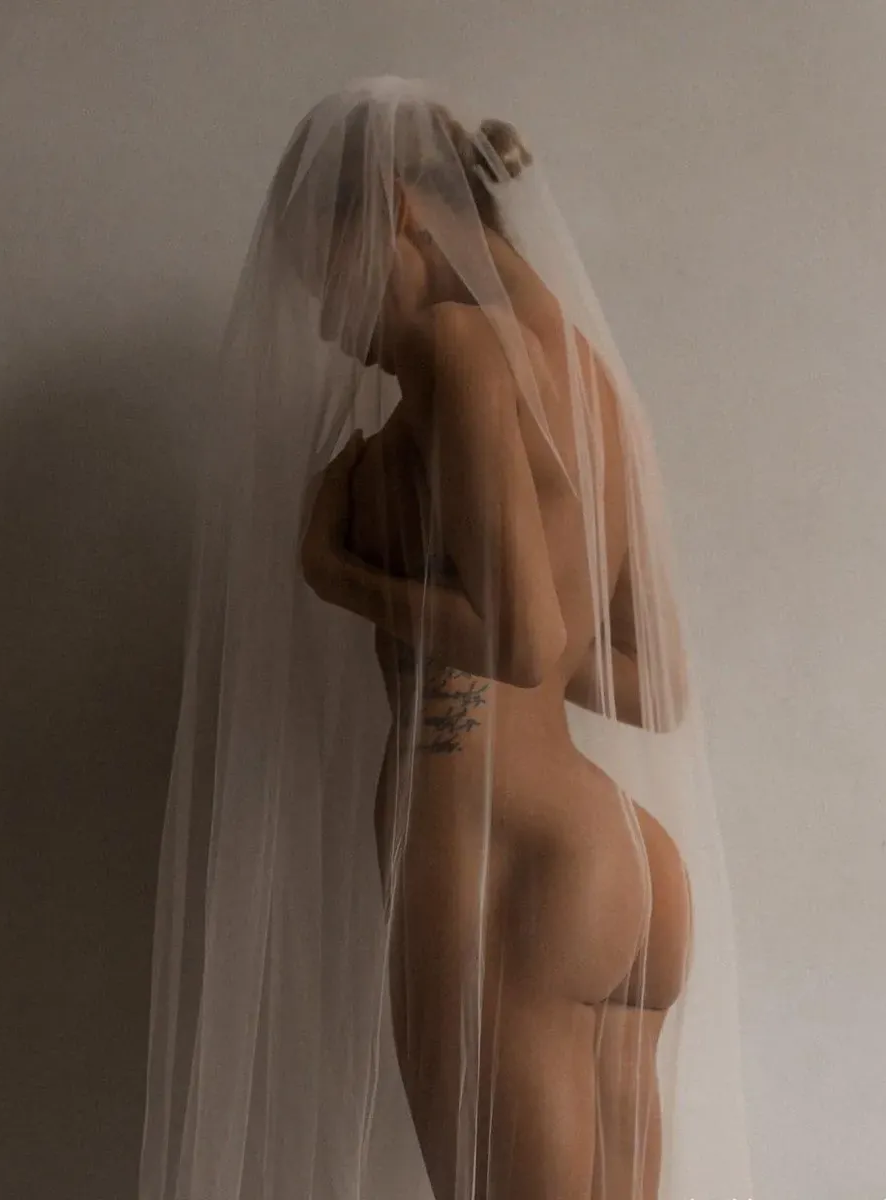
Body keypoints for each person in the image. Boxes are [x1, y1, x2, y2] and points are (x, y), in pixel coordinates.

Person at [138, 75, 753, 1200]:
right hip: (621, 864)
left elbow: (519, 643)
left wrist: (334, 570)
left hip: (496, 860)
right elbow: (650, 682)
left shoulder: (456, 349)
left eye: (322, 276)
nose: (324, 324)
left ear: (393, 211)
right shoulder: (586, 378)